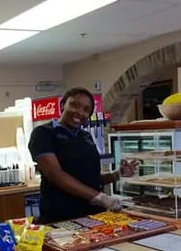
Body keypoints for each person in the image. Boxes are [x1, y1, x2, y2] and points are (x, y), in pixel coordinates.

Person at [28, 87, 136, 224]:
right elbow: (55, 175)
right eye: (75, 105)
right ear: (62, 105)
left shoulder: (86, 137)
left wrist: (116, 175)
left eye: (86, 110)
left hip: (93, 217)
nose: (80, 112)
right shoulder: (43, 133)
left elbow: (90, 179)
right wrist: (101, 197)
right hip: (61, 218)